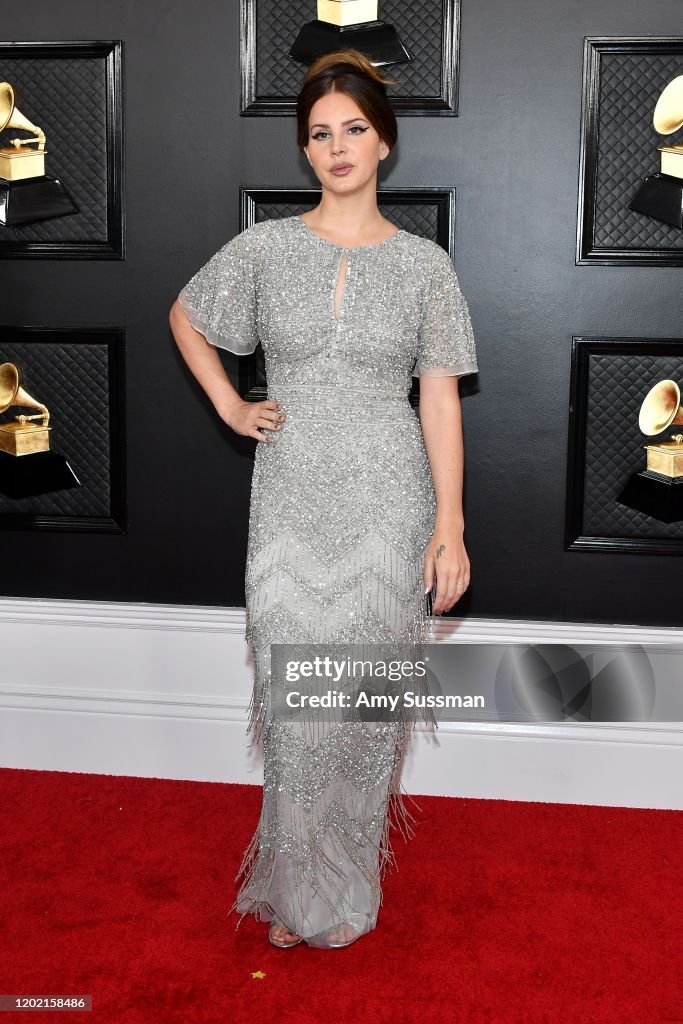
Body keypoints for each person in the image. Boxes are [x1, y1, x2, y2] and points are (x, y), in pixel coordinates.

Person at [168, 48, 478, 950]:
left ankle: (342, 889)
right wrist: (230, 401)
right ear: (305, 151)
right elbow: (186, 316)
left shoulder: (425, 266)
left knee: (361, 708)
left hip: (391, 497)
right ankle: (298, 885)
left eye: (352, 129)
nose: (336, 147)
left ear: (382, 141)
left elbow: (438, 398)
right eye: (318, 134)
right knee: (297, 702)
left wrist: (449, 524)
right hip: (291, 496)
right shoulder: (264, 249)